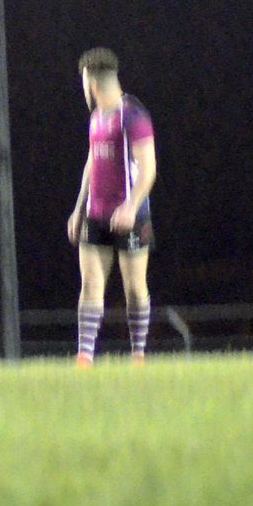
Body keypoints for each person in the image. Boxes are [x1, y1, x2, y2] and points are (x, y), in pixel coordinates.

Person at [66, 48, 157, 365]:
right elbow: (92, 162)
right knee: (90, 284)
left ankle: (138, 353)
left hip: (131, 216)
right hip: (96, 214)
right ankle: (85, 356)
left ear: (92, 84)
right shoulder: (96, 118)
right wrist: (79, 207)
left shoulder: (132, 115)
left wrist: (131, 207)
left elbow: (148, 169)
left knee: (134, 288)